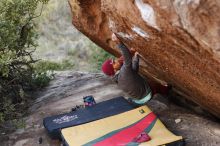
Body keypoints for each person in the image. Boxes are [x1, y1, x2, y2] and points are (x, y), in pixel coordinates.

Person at [102, 33, 153, 105]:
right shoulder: (123, 73)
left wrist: (136, 57)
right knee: (158, 85)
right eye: (114, 63)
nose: (116, 60)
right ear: (114, 70)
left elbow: (134, 72)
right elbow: (127, 58)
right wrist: (118, 42)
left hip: (138, 99)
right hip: (146, 96)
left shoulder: (119, 78)